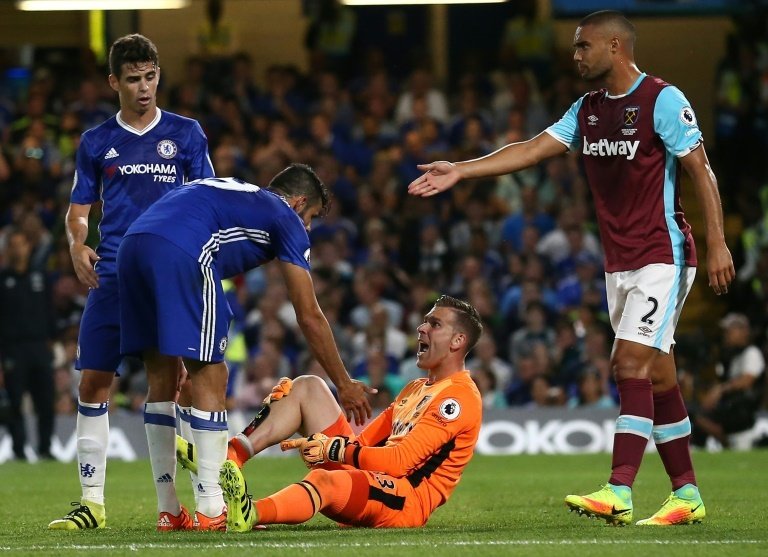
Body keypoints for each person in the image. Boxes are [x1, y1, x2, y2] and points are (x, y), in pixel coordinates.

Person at [408, 10, 735, 526]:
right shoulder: (587, 111)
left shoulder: (661, 100)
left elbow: (701, 170)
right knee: (660, 375)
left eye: (583, 47)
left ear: (614, 46)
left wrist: (717, 243)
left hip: (664, 254)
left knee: (628, 365)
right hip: (619, 262)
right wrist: (462, 170)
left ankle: (619, 490)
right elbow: (533, 149)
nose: (575, 55)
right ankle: (687, 494)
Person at [116, 166, 374, 531]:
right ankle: (211, 510)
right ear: (299, 202)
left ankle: (169, 511)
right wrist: (344, 383)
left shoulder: (240, 195)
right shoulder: (285, 216)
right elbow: (309, 315)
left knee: (163, 377)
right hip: (184, 248)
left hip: (133, 246)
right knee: (211, 374)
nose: (309, 229)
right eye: (312, 217)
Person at [48, 34, 216, 531]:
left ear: (158, 75)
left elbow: (207, 200)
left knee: (164, 384)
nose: (144, 88)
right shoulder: (97, 141)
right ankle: (91, 502)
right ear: (113, 82)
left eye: (150, 77)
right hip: (115, 271)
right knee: (93, 380)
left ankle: (169, 509)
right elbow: (78, 211)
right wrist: (77, 244)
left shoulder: (186, 134)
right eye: (133, 79)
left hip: (167, 274)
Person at [177, 295, 482, 531]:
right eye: (425, 321)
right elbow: (364, 446)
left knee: (324, 480)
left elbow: (400, 462)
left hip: (405, 500)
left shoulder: (458, 398)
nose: (421, 327)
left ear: (458, 341)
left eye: (435, 324)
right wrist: (321, 445)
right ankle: (228, 458)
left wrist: (332, 449)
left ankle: (249, 512)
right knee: (308, 387)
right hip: (375, 480)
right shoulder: (415, 388)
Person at [0, 229, 55, 461]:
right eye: (13, 244)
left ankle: (45, 448)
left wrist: (52, 341)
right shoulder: (2, 280)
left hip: (40, 347)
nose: (18, 249)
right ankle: (19, 449)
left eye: (21, 244)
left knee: (46, 400)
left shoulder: (41, 276)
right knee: (14, 401)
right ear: (8, 249)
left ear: (28, 247)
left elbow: (50, 312)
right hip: (13, 349)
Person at [691, 313, 765, 449]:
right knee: (694, 411)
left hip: (744, 411)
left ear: (744, 332)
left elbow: (747, 380)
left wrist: (720, 390)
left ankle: (727, 443)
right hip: (732, 407)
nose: (725, 334)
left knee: (697, 415)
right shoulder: (731, 356)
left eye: (729, 331)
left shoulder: (752, 352)